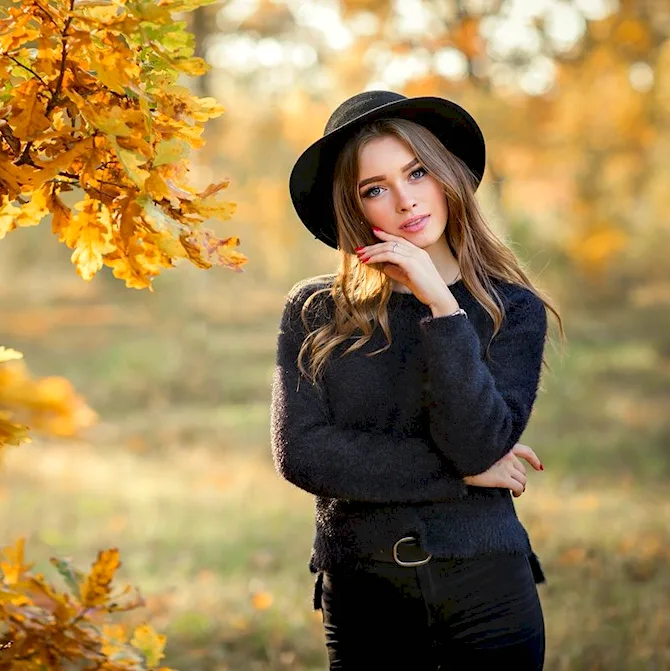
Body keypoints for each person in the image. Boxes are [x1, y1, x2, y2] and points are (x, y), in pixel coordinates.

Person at [269, 90, 564, 669]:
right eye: (374, 188)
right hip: (363, 595)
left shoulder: (511, 309)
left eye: (417, 172)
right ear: (354, 210)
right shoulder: (315, 311)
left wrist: (442, 308)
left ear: (447, 176)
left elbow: (478, 442)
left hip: (487, 592)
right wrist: (465, 476)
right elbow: (304, 455)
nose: (405, 201)